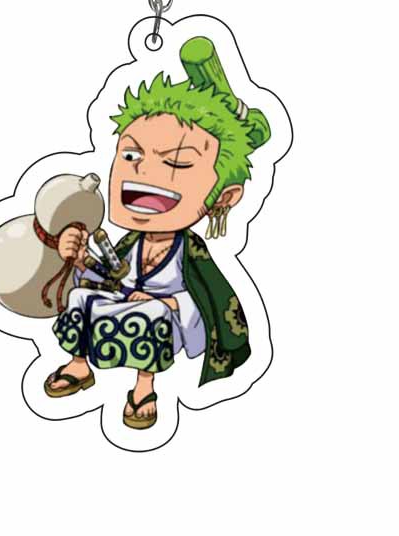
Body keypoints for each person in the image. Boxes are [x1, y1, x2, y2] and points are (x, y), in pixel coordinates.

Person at [44, 37, 270, 430]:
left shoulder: (189, 252)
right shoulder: (130, 243)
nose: (143, 173)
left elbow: (205, 300)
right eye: (131, 156)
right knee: (81, 297)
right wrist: (79, 260)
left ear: (224, 197)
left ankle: (143, 388)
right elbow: (108, 275)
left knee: (151, 314)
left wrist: (165, 301)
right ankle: (79, 365)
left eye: (178, 162)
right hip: (125, 304)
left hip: (167, 318)